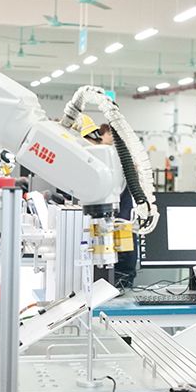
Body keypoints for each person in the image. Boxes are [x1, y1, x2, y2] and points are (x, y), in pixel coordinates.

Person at [75, 116, 138, 288]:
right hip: (97, 256)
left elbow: (122, 220)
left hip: (116, 258)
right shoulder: (101, 165)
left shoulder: (111, 166)